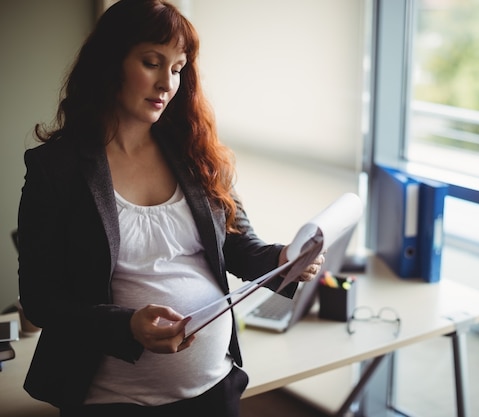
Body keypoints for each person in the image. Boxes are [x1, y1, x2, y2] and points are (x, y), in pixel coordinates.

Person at [16, 0, 324, 416]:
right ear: (110, 64)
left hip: (213, 387)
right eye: (151, 62)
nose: (167, 83)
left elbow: (237, 245)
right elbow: (40, 299)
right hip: (112, 401)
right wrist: (125, 325)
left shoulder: (195, 153)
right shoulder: (57, 168)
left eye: (178, 68)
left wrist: (285, 260)